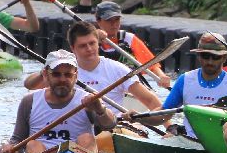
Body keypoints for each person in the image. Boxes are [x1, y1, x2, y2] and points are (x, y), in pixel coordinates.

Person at [23, 21, 163, 113]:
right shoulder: (64, 71)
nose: (89, 49)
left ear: (98, 43)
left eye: (92, 43)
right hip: (78, 126)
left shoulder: (118, 69)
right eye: (83, 45)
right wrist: (45, 72)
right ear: (73, 48)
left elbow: (151, 100)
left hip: (112, 126)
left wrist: (169, 128)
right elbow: (29, 85)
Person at [0, 50, 116, 153]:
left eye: (68, 75)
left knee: (87, 138)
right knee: (32, 144)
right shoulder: (29, 101)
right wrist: (9, 149)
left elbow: (110, 125)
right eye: (56, 74)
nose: (62, 79)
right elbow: (17, 144)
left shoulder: (87, 100)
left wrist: (100, 109)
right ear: (45, 74)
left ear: (76, 76)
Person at [161, 33, 227, 137]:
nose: (210, 61)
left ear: (224, 58)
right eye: (205, 56)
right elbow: (163, 115)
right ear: (199, 56)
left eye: (215, 57)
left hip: (223, 143)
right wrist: (140, 118)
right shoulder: (185, 80)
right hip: (190, 142)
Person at [95, 1, 171, 89]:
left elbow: (151, 65)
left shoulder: (129, 39)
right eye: (108, 20)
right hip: (102, 87)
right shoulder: (91, 41)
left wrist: (161, 76)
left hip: (131, 88)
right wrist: (94, 37)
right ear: (98, 21)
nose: (114, 24)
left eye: (117, 19)